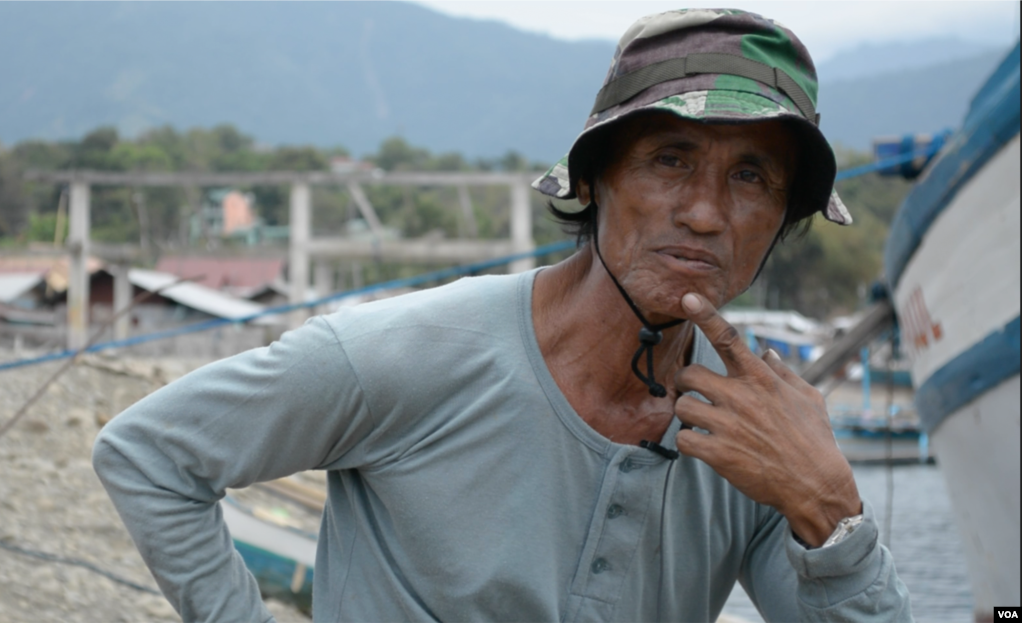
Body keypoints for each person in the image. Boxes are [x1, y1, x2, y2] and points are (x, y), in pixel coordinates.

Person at [93, 8, 914, 623]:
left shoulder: (755, 432)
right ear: (592, 180)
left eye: (752, 178)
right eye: (671, 160)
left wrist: (829, 508)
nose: (705, 212)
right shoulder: (411, 353)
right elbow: (150, 454)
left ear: (781, 219)